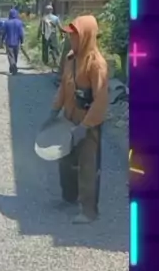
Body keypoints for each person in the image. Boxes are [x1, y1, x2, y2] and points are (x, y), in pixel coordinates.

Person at [41, 15, 109, 224]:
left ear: (86, 36)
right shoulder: (71, 59)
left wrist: (84, 126)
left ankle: (89, 211)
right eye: (70, 36)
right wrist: (53, 112)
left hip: (88, 124)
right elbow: (64, 87)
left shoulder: (96, 65)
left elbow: (100, 101)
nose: (71, 40)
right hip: (68, 120)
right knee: (66, 162)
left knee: (88, 168)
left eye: (75, 36)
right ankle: (69, 198)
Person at [39, 4, 62, 69]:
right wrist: (62, 34)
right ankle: (55, 61)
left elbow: (40, 28)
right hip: (53, 34)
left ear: (46, 10)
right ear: (52, 10)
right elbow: (59, 27)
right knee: (54, 48)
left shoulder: (43, 18)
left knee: (45, 49)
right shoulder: (55, 18)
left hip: (45, 35)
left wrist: (38, 35)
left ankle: (45, 62)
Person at [3, 8, 25, 74]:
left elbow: (4, 32)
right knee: (15, 56)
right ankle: (13, 67)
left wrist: (1, 40)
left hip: (9, 42)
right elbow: (21, 33)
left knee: (10, 56)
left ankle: (13, 67)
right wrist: (22, 41)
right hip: (17, 42)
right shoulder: (19, 22)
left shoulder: (7, 22)